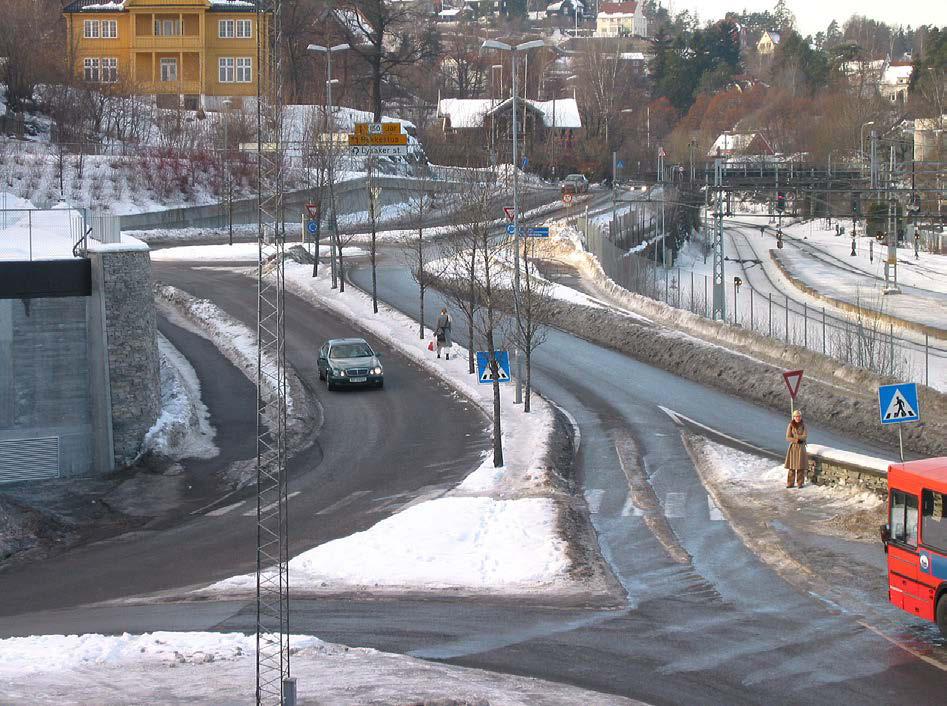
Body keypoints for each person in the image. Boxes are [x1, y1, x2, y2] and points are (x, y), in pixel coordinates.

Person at [784, 409, 808, 488]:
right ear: (794, 417)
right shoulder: (790, 425)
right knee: (792, 466)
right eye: (796, 416)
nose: (798, 418)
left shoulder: (804, 425)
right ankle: (790, 483)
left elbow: (805, 436)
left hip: (801, 448)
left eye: (799, 416)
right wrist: (796, 440)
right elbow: (788, 437)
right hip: (793, 448)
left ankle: (800, 483)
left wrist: (796, 436)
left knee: (800, 466)